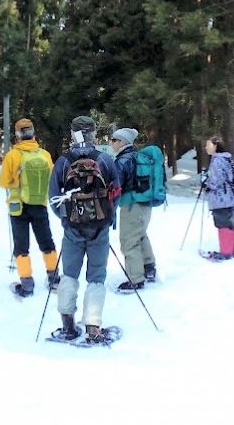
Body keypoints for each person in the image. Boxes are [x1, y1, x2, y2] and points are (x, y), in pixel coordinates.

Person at [48, 116, 120, 343]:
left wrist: (66, 218)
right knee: (96, 277)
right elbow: (116, 193)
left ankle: (67, 326)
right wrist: (106, 216)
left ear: (73, 134)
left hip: (72, 229)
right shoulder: (106, 160)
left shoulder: (63, 162)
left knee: (69, 274)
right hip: (100, 228)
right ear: (93, 133)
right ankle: (93, 328)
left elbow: (53, 198)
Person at [0, 117, 58, 298]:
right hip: (39, 204)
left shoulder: (13, 155)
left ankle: (26, 284)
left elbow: (3, 182)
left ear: (17, 135)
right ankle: (54, 278)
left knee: (21, 245)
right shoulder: (45, 155)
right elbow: (52, 177)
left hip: (19, 207)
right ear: (33, 133)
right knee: (46, 241)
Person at [110, 127, 158, 290]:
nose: (112, 143)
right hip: (145, 205)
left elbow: (115, 186)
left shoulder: (122, 160)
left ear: (122, 142)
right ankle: (149, 267)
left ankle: (135, 278)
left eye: (114, 140)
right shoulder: (139, 157)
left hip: (131, 206)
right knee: (140, 235)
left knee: (129, 241)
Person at [201, 134, 234, 261]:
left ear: (216, 145)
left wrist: (207, 184)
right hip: (229, 197)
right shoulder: (224, 158)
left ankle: (226, 252)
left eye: (208, 145)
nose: (206, 147)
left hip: (221, 199)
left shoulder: (218, 160)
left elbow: (217, 179)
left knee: (222, 224)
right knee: (230, 224)